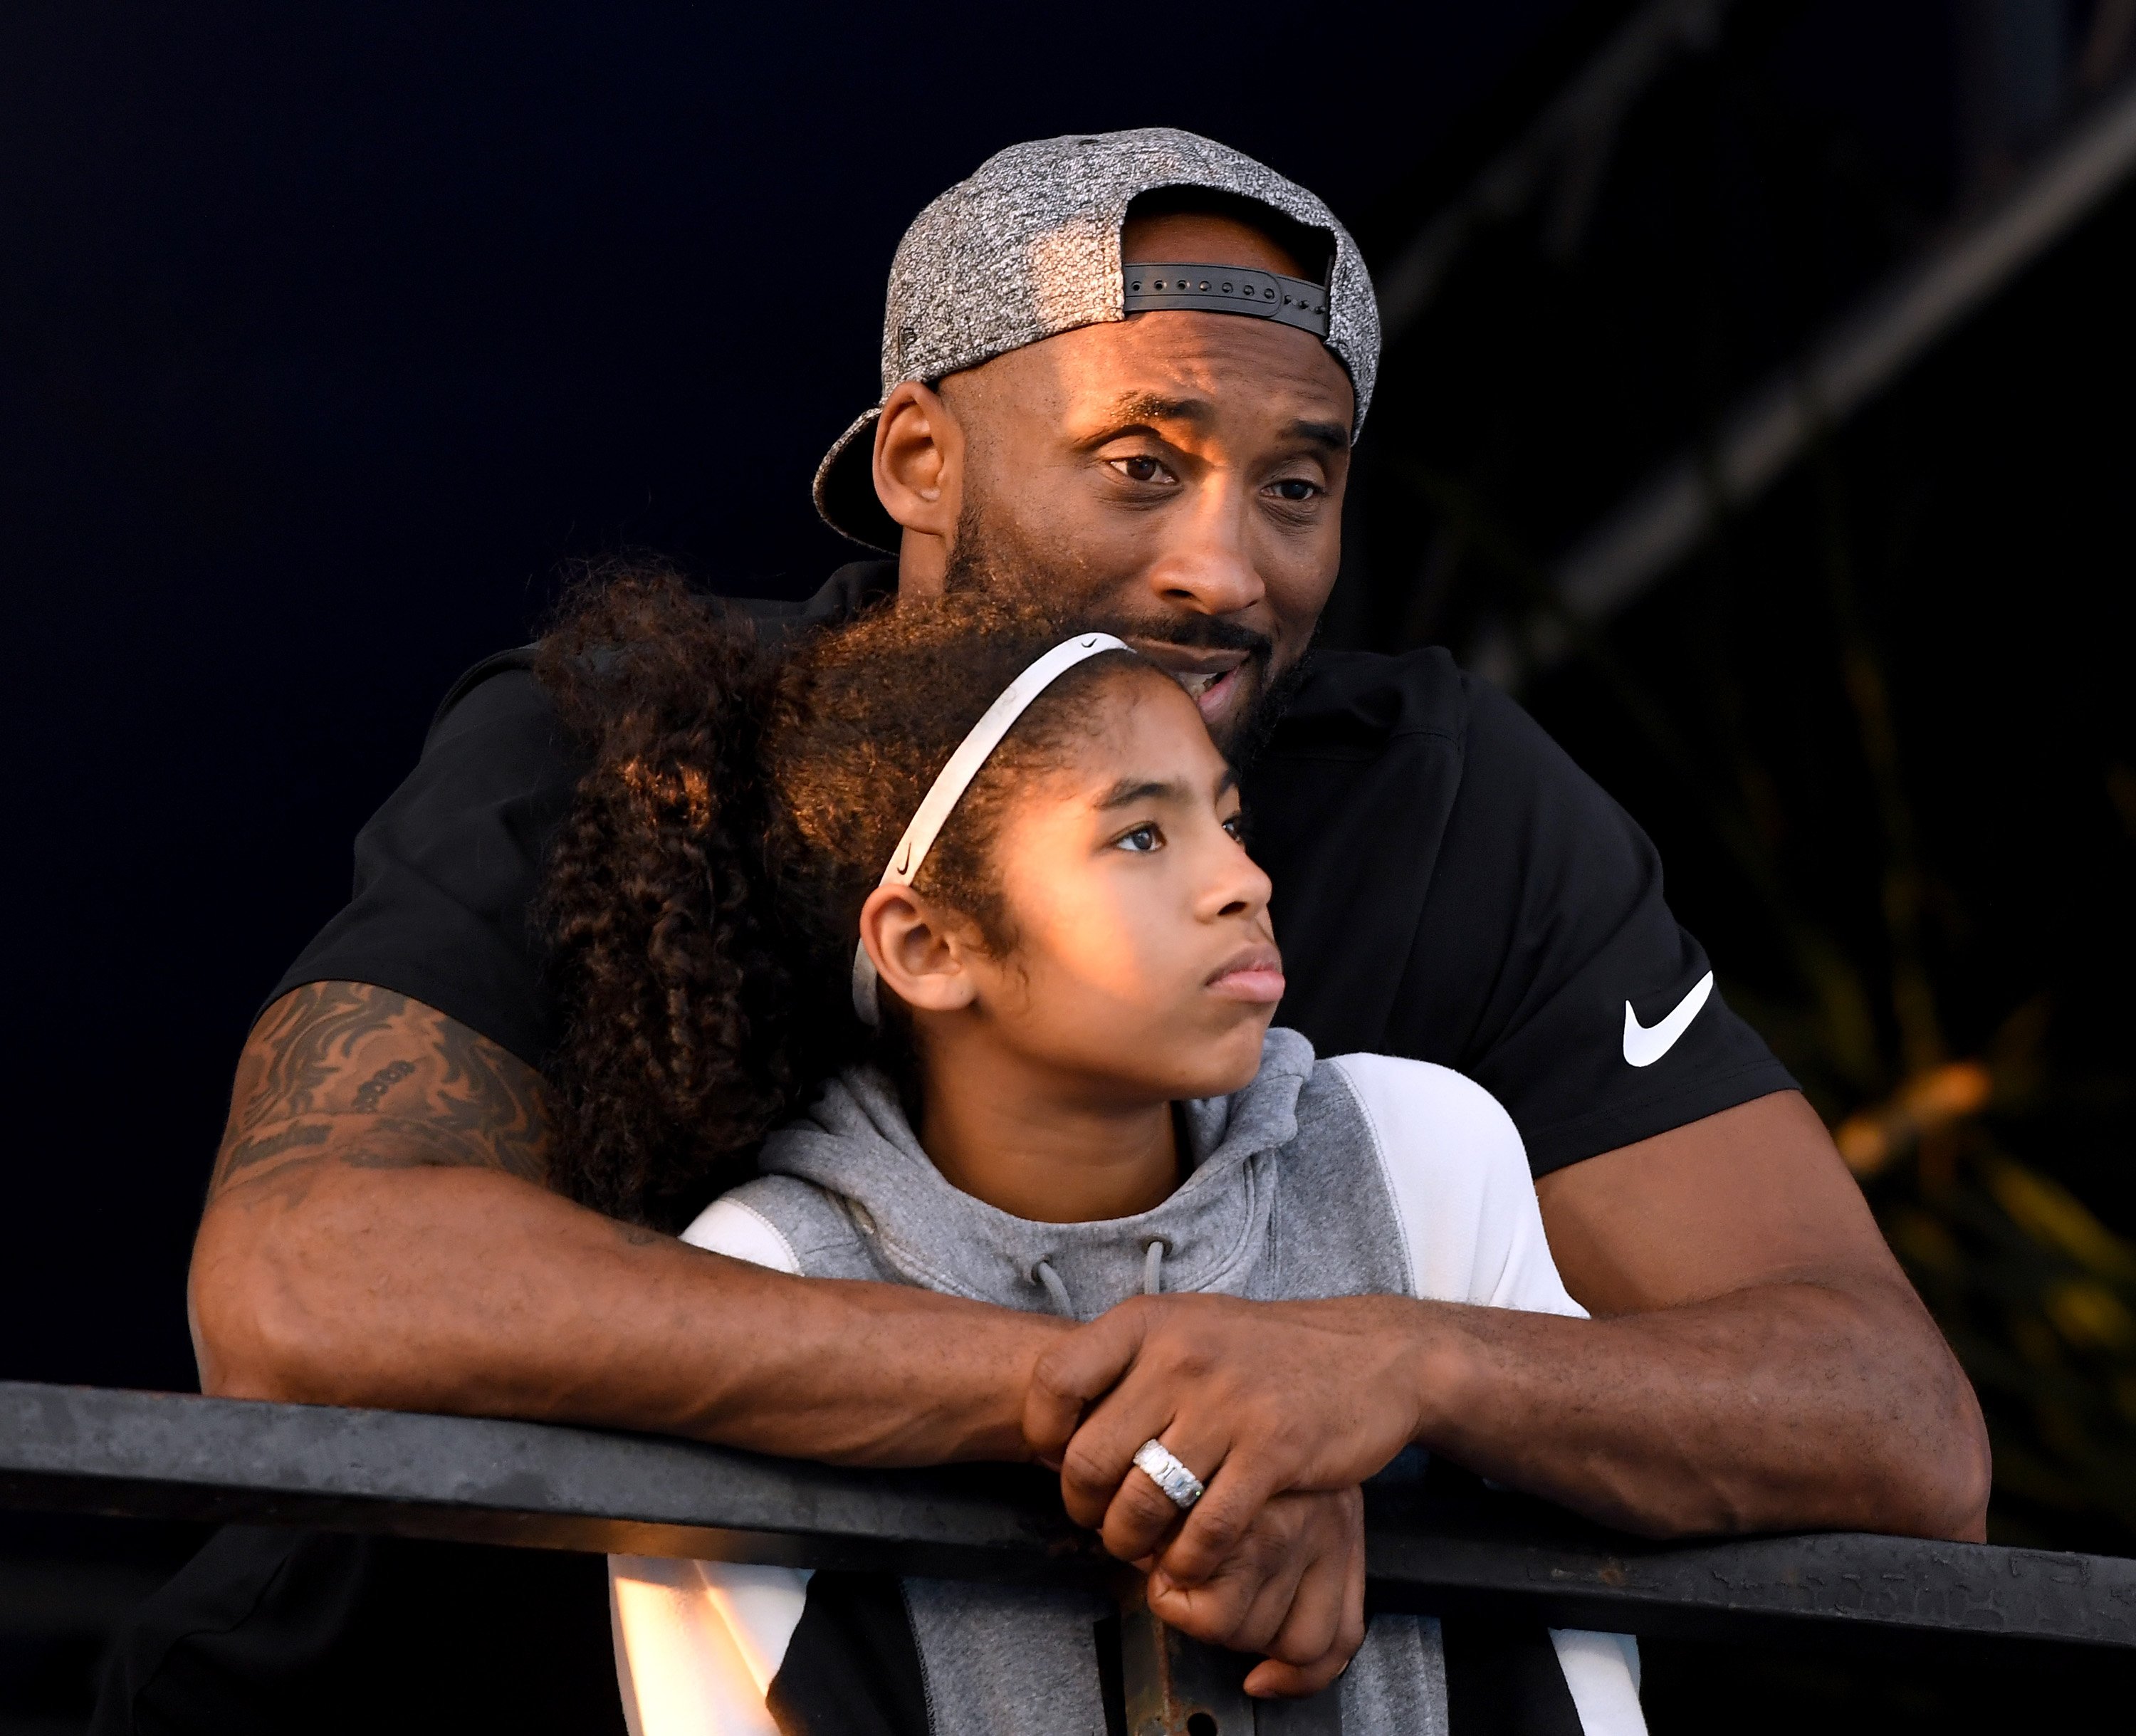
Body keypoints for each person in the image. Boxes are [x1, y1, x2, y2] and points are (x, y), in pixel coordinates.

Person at [98, 129, 1987, 1732]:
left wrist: (1386, 1369)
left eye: (1298, 485)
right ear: (921, 458)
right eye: (1140, 461)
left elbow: (1896, 1428)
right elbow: (313, 1278)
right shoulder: (623, 741)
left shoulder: (1448, 798)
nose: (1226, 568)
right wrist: (1107, 1401)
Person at [570, 577, 1643, 1735]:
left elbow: (1583, 1661)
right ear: (927, 944)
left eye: (1228, 822)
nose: (1244, 880)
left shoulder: (1416, 1152)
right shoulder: (769, 1266)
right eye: (1142, 834)